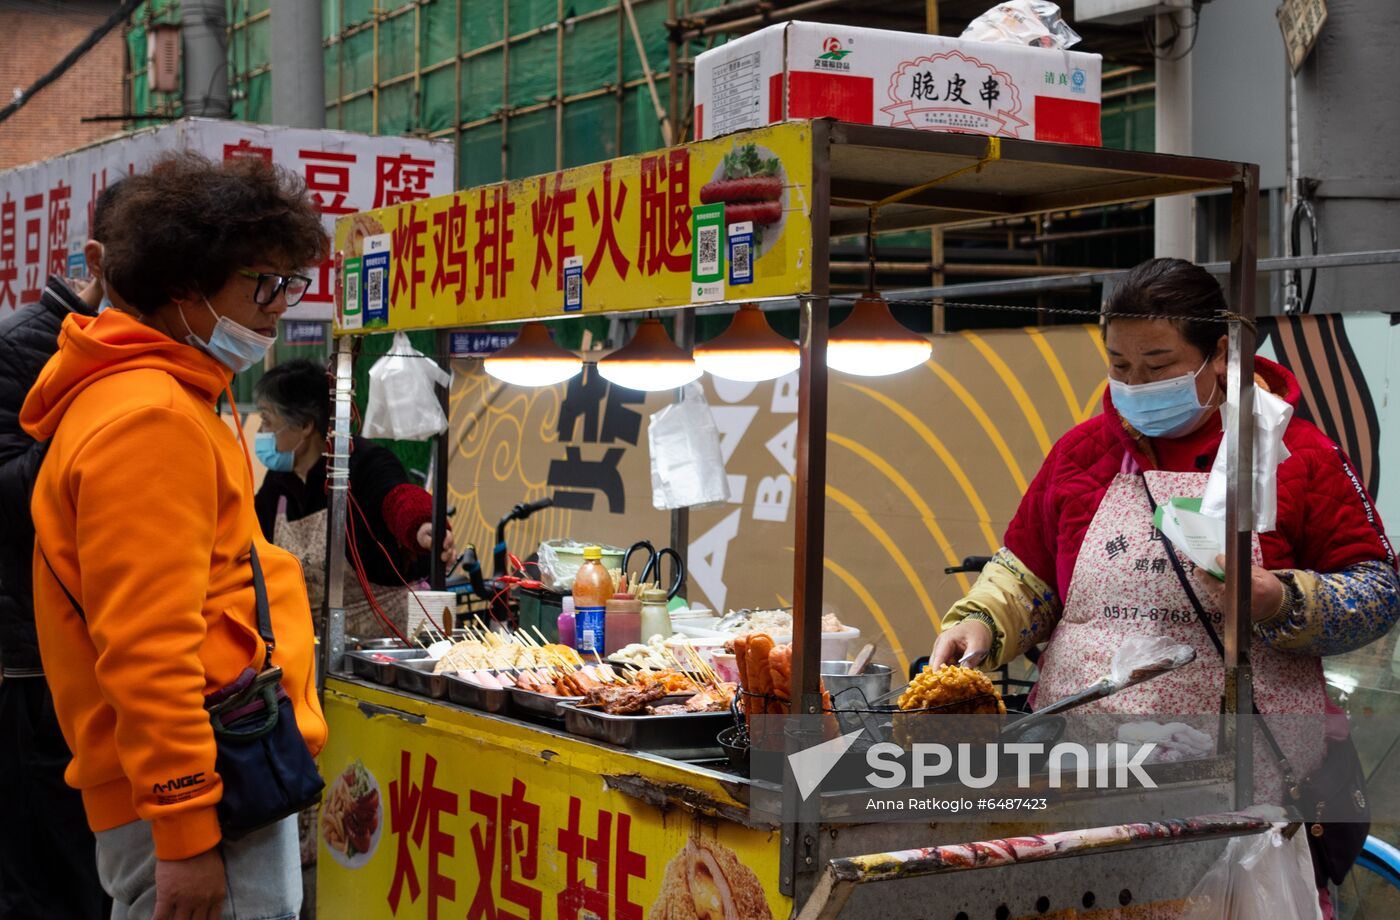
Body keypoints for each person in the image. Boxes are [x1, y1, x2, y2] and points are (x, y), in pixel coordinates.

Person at [930, 258, 1398, 910]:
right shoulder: (1082, 455)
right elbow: (1025, 574)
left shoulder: (1298, 456)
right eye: (1119, 365)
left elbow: (1377, 590)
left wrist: (1283, 600)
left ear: (1219, 355)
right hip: (1085, 791)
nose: (1136, 384)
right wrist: (980, 623)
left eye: (1157, 365)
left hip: (1244, 811)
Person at [21, 152, 329, 920]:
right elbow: (147, 644)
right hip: (207, 784)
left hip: (214, 766)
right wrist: (185, 828)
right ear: (185, 284)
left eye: (289, 283)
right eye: (265, 282)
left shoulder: (157, 395)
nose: (278, 307)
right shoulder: (149, 418)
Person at [0, 181, 126, 920]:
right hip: (33, 666)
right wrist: (87, 417)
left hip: (111, 657)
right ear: (98, 261)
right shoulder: (23, 346)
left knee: (101, 876)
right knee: (48, 883)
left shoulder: (153, 354)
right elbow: (7, 496)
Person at [253, 359, 455, 640]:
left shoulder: (363, 463)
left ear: (305, 425)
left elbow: (396, 497)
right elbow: (250, 538)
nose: (260, 433)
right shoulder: (278, 482)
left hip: (392, 637)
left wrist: (421, 524)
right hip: (317, 640)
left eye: (267, 421)